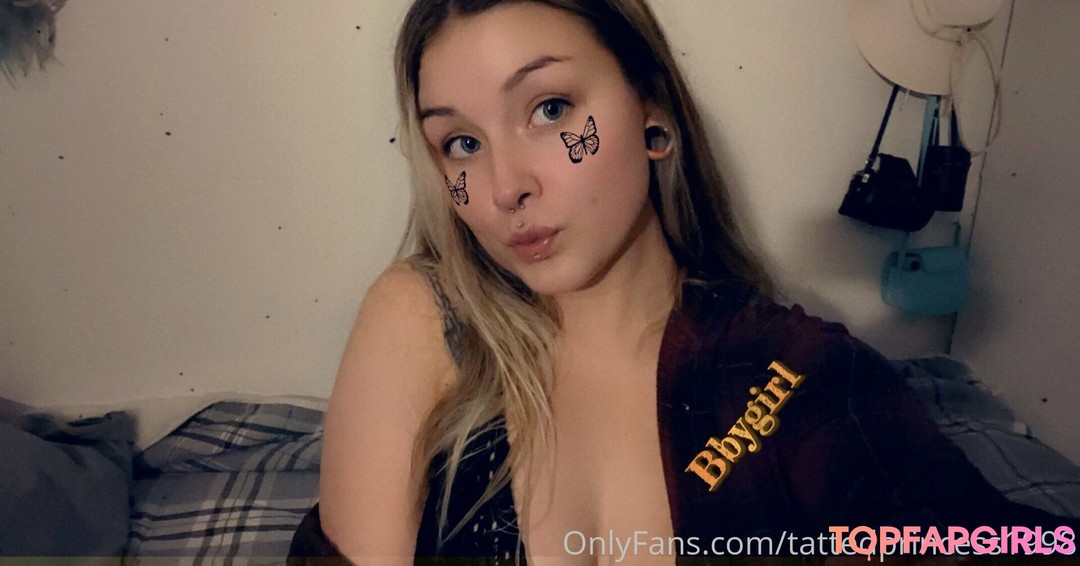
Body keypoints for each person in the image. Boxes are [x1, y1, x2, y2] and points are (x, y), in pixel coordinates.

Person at [290, 1, 1078, 564]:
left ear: (653, 117)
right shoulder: (430, 318)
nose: (503, 187)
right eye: (460, 144)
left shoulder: (784, 369)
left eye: (550, 108)